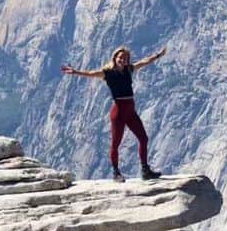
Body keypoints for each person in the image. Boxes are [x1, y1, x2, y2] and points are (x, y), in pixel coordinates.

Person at [61, 44, 167, 181]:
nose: (123, 60)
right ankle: (116, 173)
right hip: (118, 113)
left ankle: (145, 170)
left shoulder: (129, 69)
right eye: (120, 57)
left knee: (143, 138)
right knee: (116, 143)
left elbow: (144, 62)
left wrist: (158, 55)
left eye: (125, 58)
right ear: (115, 58)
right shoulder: (108, 73)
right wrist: (75, 72)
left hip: (130, 111)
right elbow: (91, 74)